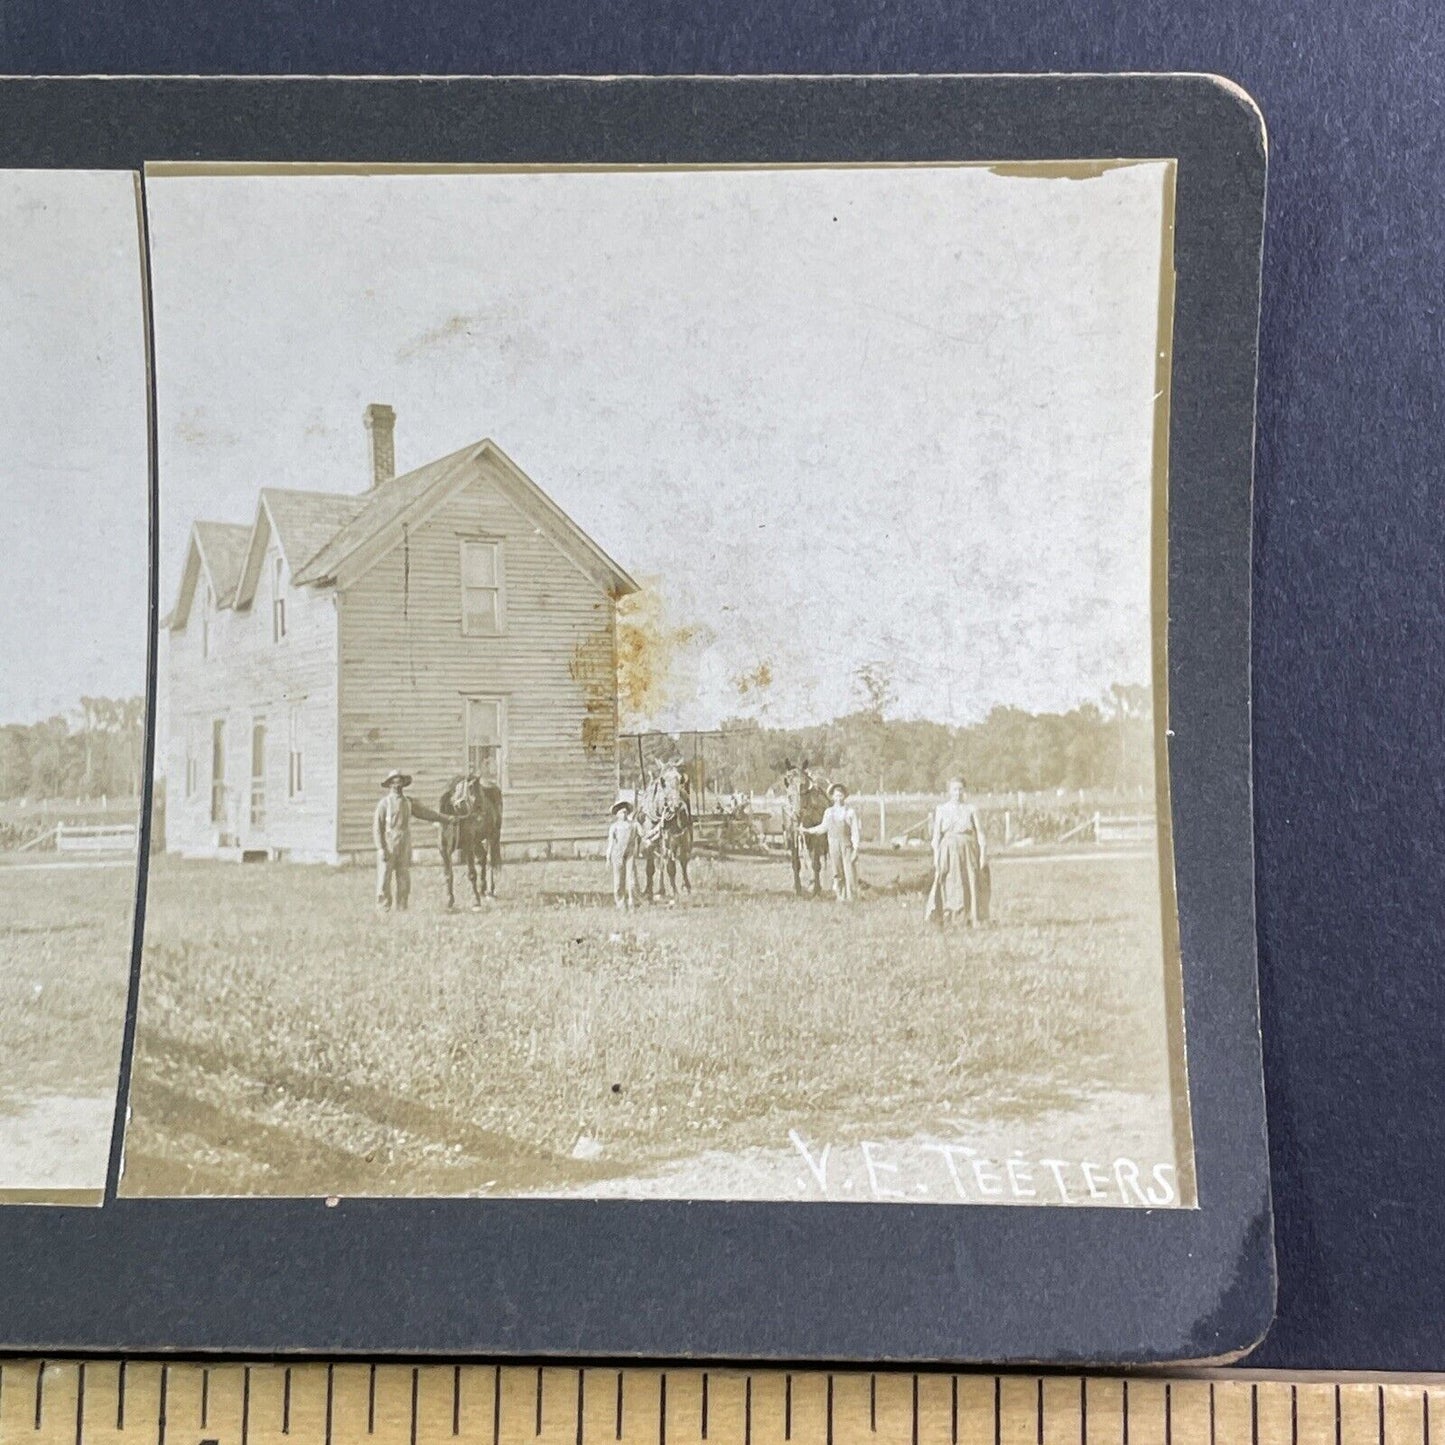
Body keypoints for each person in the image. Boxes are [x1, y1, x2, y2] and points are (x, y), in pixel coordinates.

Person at [373, 769, 442, 912]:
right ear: (390, 784)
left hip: (404, 842)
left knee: (404, 875)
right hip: (389, 842)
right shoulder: (384, 804)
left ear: (404, 784)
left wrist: (445, 818)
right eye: (394, 781)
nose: (398, 785)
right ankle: (383, 907)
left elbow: (426, 813)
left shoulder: (408, 803)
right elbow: (377, 828)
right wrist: (381, 848)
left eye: (400, 782)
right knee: (384, 876)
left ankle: (402, 906)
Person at [927, 776, 988, 927]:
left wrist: (983, 856)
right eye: (955, 789)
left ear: (964, 790)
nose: (958, 793)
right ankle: (949, 917)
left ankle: (971, 917)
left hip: (968, 849)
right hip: (947, 850)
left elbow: (980, 833)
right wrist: (936, 859)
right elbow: (936, 836)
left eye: (961, 789)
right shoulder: (941, 809)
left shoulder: (971, 809)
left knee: (969, 881)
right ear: (949, 791)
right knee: (949, 881)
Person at [802, 782, 861, 901]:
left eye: (841, 795)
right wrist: (808, 830)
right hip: (833, 845)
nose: (838, 798)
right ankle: (840, 897)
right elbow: (823, 827)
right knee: (837, 872)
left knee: (849, 872)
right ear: (832, 797)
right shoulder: (829, 812)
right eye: (836, 796)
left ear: (844, 796)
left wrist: (856, 849)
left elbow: (855, 832)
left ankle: (851, 898)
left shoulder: (850, 812)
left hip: (846, 845)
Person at [606, 796, 644, 911]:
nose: (623, 814)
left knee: (632, 880)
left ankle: (634, 903)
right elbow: (611, 843)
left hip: (630, 855)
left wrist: (656, 831)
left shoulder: (634, 825)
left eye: (625, 812)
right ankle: (621, 903)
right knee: (618, 881)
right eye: (621, 812)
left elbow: (644, 835)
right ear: (617, 814)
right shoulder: (614, 827)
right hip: (617, 855)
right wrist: (607, 858)